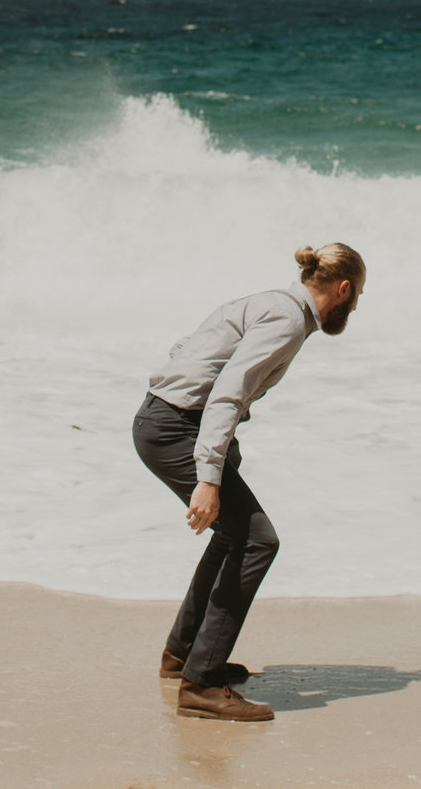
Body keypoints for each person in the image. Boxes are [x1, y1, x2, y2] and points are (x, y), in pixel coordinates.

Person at [133, 243, 366, 722]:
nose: (357, 305)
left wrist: (217, 450)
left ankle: (183, 656)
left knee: (233, 533)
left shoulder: (269, 302)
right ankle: (201, 685)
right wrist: (209, 475)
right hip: (175, 427)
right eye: (358, 294)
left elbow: (191, 352)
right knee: (259, 540)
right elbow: (228, 390)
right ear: (342, 289)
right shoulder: (286, 320)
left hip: (163, 420)